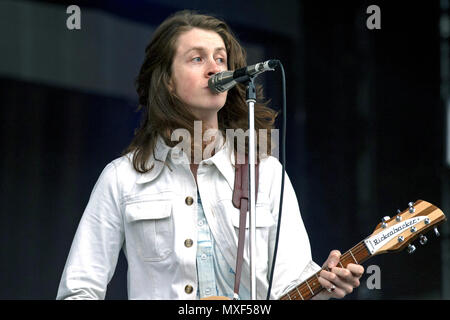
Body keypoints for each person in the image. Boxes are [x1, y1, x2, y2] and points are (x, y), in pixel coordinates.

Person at [56, 10, 363, 300]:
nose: (215, 68)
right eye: (197, 58)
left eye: (220, 58)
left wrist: (323, 287)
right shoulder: (122, 178)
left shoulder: (266, 173)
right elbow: (79, 289)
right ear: (167, 81)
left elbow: (290, 284)